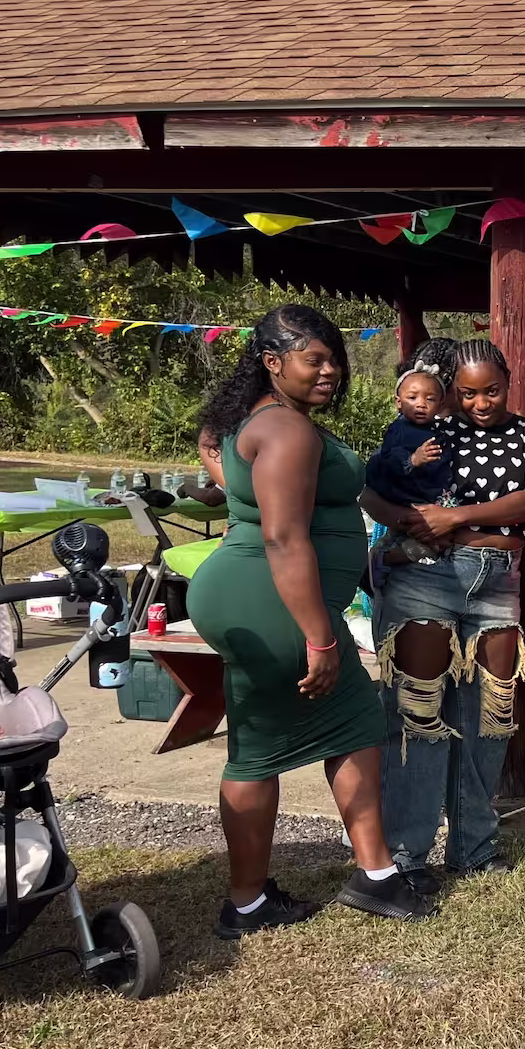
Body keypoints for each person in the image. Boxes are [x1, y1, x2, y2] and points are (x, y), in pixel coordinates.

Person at [190, 305, 432, 935]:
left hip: (251, 596)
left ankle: (266, 896)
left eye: (334, 357)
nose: (330, 370)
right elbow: (282, 538)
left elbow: (215, 448)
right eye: (314, 359)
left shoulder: (265, 421)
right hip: (274, 600)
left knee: (303, 733)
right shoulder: (289, 431)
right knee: (316, 731)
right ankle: (356, 880)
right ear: (273, 364)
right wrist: (320, 636)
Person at [363, 339, 525, 890]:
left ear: (510, 379)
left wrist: (456, 517)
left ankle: (473, 845)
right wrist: (412, 523)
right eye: (468, 393)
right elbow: (373, 490)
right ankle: (407, 854)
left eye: (491, 390)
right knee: (419, 713)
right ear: (452, 390)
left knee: (488, 717)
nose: (480, 403)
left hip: (496, 578)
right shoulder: (428, 429)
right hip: (427, 573)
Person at [365, 361, 455, 569]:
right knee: (437, 539)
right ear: (398, 402)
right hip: (408, 497)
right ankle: (385, 559)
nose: (421, 404)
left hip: (427, 495)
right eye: (412, 398)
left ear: (440, 405)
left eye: (430, 399)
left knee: (439, 540)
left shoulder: (436, 429)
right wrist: (412, 460)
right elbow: (388, 460)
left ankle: (386, 559)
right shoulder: (400, 429)